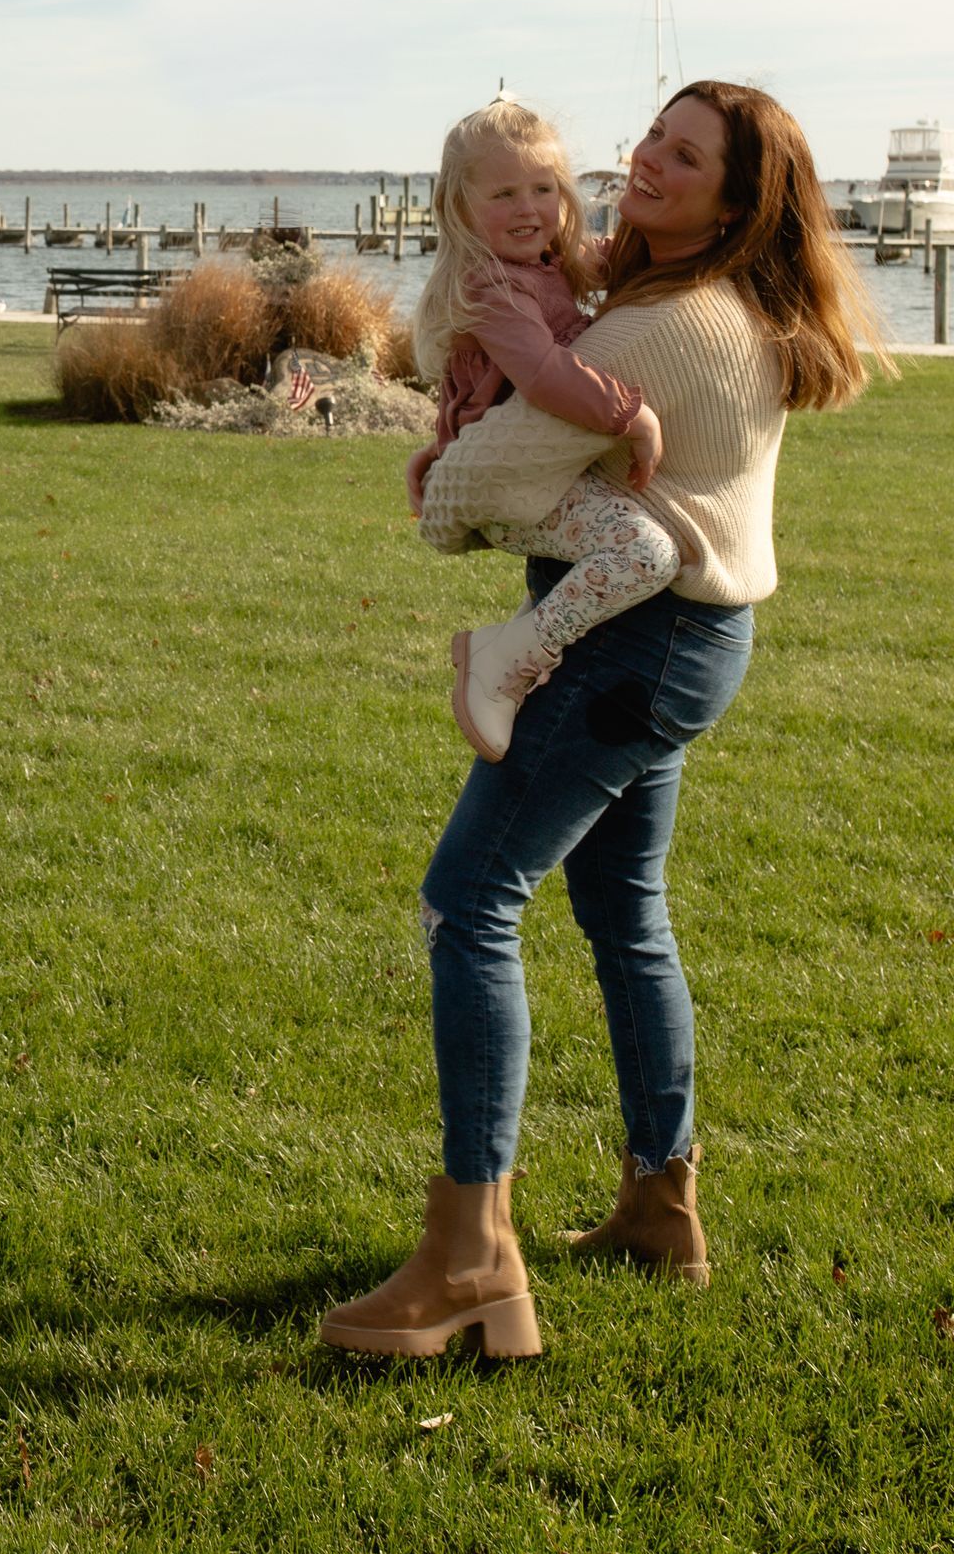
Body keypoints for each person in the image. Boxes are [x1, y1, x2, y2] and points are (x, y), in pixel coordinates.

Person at [321, 83, 882, 1364]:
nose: (648, 161)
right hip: (690, 638)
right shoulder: (679, 296)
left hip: (638, 644)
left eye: (685, 156)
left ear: (738, 201)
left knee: (471, 901)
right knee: (622, 910)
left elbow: (484, 485)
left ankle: (470, 1256)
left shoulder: (667, 327)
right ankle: (659, 1205)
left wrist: (436, 483)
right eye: (650, 136)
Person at [405, 101, 672, 762]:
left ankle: (529, 631)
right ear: (459, 208)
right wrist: (628, 414)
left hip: (542, 478)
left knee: (617, 553)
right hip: (507, 489)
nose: (528, 208)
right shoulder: (489, 285)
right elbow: (546, 374)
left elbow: (608, 264)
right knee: (646, 553)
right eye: (503, 194)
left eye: (543, 189)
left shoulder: (549, 259)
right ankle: (502, 660)